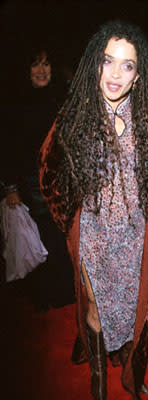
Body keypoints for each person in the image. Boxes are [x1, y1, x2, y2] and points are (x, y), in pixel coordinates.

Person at [39, 20, 148, 400]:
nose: (116, 73)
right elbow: (47, 174)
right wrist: (73, 225)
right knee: (96, 312)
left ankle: (130, 371)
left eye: (127, 65)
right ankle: (98, 382)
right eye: (108, 61)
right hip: (94, 241)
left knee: (135, 314)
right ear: (95, 66)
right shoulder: (74, 118)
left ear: (138, 77)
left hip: (135, 241)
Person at [0, 48, 75, 312]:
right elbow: (6, 147)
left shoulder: (59, 99)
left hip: (58, 182)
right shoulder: (13, 103)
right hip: (29, 184)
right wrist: (10, 187)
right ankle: (42, 295)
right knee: (35, 240)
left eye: (46, 63)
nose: (42, 70)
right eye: (35, 65)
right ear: (25, 70)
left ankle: (63, 292)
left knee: (59, 237)